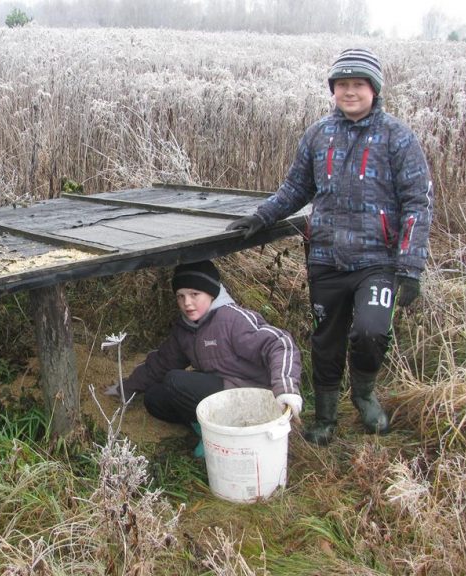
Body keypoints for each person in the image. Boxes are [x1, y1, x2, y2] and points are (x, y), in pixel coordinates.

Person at [226, 48, 433, 445]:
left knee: (371, 331)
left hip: (377, 260)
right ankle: (324, 417)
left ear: (374, 89)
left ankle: (363, 394)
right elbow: (294, 190)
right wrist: (260, 216)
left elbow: (417, 204)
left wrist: (410, 266)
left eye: (358, 84)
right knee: (326, 340)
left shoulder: (398, 137)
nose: (349, 92)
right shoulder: (319, 134)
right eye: (342, 85)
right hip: (325, 258)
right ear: (333, 90)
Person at [106, 260, 302, 457]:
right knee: (154, 397)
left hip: (250, 396)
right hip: (219, 393)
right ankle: (209, 431)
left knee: (175, 380)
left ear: (211, 292)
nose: (187, 303)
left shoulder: (232, 319)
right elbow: (161, 363)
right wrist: (127, 388)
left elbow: (280, 343)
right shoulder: (185, 328)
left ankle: (224, 437)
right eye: (180, 296)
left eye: (194, 294)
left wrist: (285, 390)